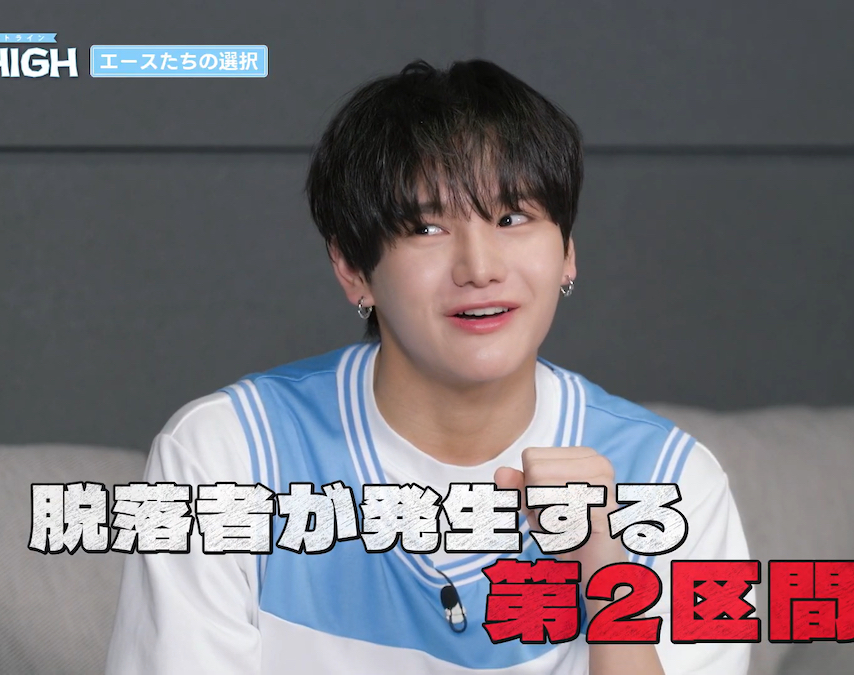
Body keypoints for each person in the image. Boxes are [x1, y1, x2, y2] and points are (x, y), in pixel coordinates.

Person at [105, 58, 752, 675]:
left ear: (567, 253)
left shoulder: (673, 482)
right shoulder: (227, 459)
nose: (480, 267)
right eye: (427, 228)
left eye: (512, 217)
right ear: (352, 268)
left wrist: (606, 569)